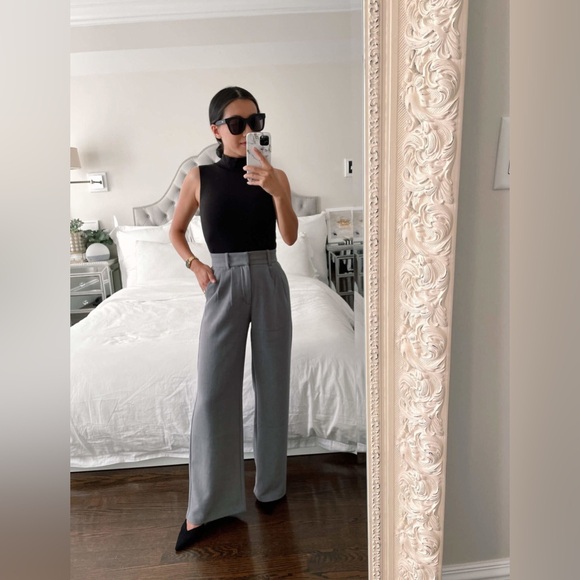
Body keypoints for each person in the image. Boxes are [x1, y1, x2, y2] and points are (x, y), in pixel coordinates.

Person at [169, 86, 298, 551]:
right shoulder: (199, 177)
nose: (247, 131)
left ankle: (271, 490)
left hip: (268, 277)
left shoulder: (275, 175)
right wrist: (195, 265)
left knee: (273, 386)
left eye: (255, 121)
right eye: (237, 123)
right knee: (213, 393)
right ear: (216, 129)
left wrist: (277, 192)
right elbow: (175, 231)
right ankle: (205, 507)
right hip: (221, 284)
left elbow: (290, 236)